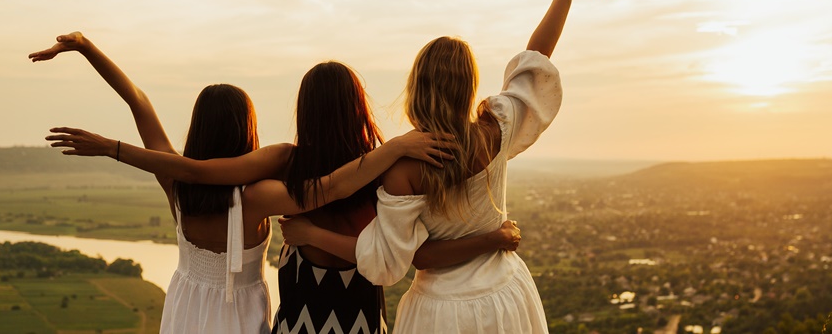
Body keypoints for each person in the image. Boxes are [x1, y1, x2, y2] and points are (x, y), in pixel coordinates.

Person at [278, 0, 625, 333]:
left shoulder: (405, 167)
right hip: (506, 296)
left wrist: (310, 234)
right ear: (468, 86)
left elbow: (394, 262)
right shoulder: (496, 128)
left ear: (418, 85)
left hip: (440, 313)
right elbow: (535, 60)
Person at [45, 55, 518, 334]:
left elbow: (169, 140)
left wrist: (113, 147)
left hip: (215, 314)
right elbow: (355, 210)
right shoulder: (369, 173)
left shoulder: (222, 184)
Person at [30, 32, 282, 333]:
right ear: (246, 131)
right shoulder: (259, 198)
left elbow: (137, 100)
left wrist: (85, 47)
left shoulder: (176, 185)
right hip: (240, 322)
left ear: (198, 130)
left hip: (183, 316)